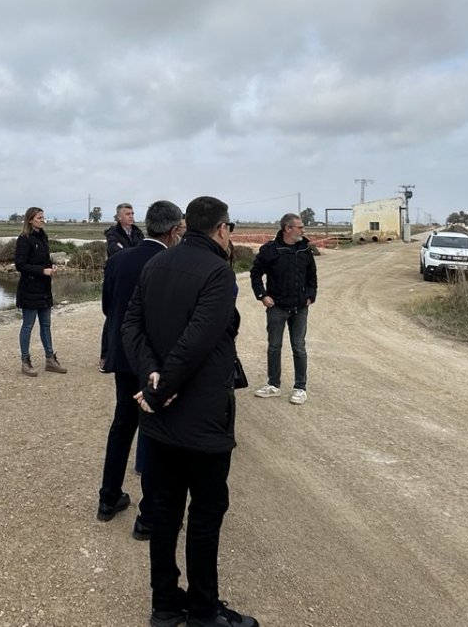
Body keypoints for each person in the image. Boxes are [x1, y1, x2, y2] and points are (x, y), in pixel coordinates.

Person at [122, 196, 257, 627]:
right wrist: (161, 387)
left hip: (160, 421)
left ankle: (164, 604)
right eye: (231, 228)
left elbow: (132, 326)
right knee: (204, 514)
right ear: (221, 229)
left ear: (186, 226)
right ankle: (201, 609)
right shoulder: (218, 271)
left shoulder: (155, 263)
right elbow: (199, 339)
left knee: (163, 513)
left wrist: (152, 379)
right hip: (200, 420)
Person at [97, 200, 185, 539]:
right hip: (154, 363)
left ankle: (108, 499)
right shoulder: (170, 263)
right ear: (175, 230)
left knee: (122, 424)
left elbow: (109, 308)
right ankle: (148, 516)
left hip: (123, 357)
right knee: (154, 429)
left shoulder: (118, 260)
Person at [249, 212, 317, 405]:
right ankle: (273, 385)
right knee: (274, 347)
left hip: (300, 308)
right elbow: (255, 275)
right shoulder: (270, 250)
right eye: (300, 227)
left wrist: (310, 296)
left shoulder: (305, 249)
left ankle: (300, 388)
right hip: (276, 308)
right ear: (288, 228)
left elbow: (312, 276)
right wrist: (262, 295)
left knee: (299, 347)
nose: (303, 230)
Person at [14, 207, 67, 376]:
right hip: (29, 289)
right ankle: (25, 361)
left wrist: (51, 265)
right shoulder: (24, 239)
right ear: (30, 220)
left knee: (46, 325)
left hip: (44, 288)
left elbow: (44, 258)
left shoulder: (43, 237)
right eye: (39, 217)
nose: (42, 220)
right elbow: (20, 265)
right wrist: (41, 271)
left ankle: (50, 359)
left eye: (43, 217)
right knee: (28, 326)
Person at [101, 203, 144, 370]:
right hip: (117, 279)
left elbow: (138, 250)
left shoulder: (138, 233)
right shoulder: (113, 233)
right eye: (127, 214)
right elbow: (115, 251)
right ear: (119, 217)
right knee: (112, 316)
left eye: (132, 213)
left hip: (135, 279)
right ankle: (105, 355)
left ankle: (132, 352)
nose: (131, 216)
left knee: (134, 316)